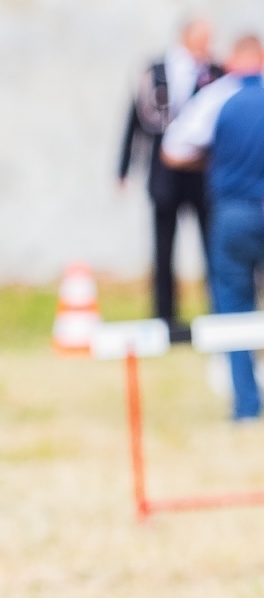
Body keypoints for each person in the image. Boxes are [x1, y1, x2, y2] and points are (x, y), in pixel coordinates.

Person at [164, 35, 264, 420]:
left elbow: (174, 150)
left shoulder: (218, 96)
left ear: (233, 61)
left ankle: (246, 406)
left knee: (235, 309)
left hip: (235, 213)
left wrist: (216, 160)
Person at [119, 18, 225, 342]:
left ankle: (219, 315)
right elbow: (134, 120)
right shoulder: (156, 70)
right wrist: (123, 169)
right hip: (164, 174)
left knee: (212, 247)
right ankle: (165, 319)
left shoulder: (218, 74)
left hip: (202, 172)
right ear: (186, 38)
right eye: (203, 38)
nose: (207, 45)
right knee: (164, 248)